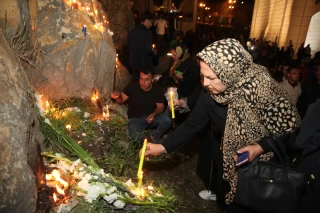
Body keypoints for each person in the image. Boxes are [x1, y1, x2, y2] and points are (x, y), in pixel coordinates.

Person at [141, 39, 300, 212]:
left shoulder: (262, 87)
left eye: (211, 77)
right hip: (230, 158)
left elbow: (288, 127)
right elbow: (193, 124)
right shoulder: (209, 93)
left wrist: (258, 148)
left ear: (230, 72)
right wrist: (163, 147)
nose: (205, 83)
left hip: (263, 166)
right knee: (227, 201)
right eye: (203, 76)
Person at [111, 69, 171, 144]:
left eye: (147, 79)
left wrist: (153, 114)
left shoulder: (157, 89)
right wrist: (117, 97)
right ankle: (143, 138)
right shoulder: (132, 86)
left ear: (152, 80)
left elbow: (160, 107)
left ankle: (154, 135)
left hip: (151, 117)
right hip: (135, 118)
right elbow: (121, 100)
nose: (143, 82)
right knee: (136, 139)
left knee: (167, 120)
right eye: (141, 78)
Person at [127, 11, 154, 81]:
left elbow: (128, 49)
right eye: (151, 22)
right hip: (144, 64)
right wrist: (153, 52)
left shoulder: (131, 32)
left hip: (134, 63)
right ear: (147, 20)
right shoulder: (148, 33)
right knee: (144, 83)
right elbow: (148, 50)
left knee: (136, 82)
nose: (151, 25)